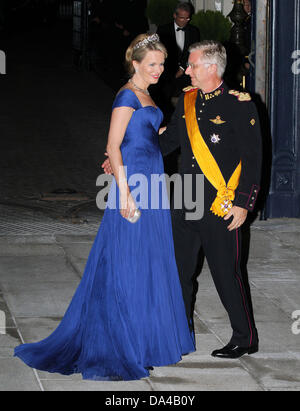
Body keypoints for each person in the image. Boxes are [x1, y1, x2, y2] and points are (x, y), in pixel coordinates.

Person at [14, 33, 195, 381]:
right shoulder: (127, 95)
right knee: (126, 262)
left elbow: (143, 138)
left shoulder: (147, 94)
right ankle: (122, 343)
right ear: (136, 63)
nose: (159, 70)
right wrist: (124, 191)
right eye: (152, 64)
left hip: (152, 180)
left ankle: (143, 342)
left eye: (161, 64)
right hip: (135, 186)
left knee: (149, 261)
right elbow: (112, 144)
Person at [102, 40, 262, 359]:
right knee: (178, 271)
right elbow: (169, 140)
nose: (186, 70)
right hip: (185, 198)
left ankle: (244, 337)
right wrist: (126, 159)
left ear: (211, 68)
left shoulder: (239, 102)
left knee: (225, 272)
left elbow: (253, 156)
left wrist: (244, 203)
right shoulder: (189, 100)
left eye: (192, 65)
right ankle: (181, 328)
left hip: (221, 202)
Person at [154, 2, 200, 122]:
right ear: (174, 15)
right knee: (165, 102)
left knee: (185, 103)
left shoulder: (194, 31)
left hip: (186, 73)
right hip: (168, 73)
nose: (185, 21)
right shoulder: (163, 29)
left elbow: (193, 52)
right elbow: (160, 51)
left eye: (188, 18)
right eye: (182, 18)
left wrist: (182, 68)